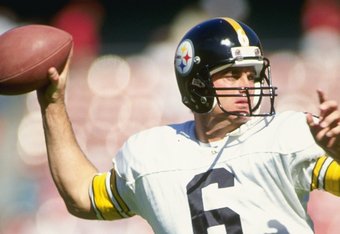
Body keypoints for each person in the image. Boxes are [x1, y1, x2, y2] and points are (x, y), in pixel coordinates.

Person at [37, 17, 340, 234]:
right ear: (197, 82)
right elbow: (82, 198)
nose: (248, 86)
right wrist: (52, 103)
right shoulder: (150, 154)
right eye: (233, 75)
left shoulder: (288, 133)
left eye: (253, 75)